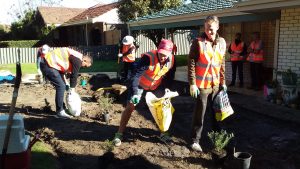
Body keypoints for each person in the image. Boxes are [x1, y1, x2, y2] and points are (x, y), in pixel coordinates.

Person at [113, 39, 175, 146]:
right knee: (131, 106)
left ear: (170, 53)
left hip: (156, 85)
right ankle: (119, 133)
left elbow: (169, 76)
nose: (163, 57)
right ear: (158, 50)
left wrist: (167, 89)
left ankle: (164, 133)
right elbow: (136, 76)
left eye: (165, 55)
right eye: (161, 53)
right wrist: (135, 93)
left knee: (162, 108)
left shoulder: (172, 60)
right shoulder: (148, 58)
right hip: (140, 84)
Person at [188, 15, 227, 152]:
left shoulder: (222, 42)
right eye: (206, 29)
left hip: (215, 85)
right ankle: (195, 140)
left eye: (211, 29)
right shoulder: (198, 42)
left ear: (217, 27)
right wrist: (192, 83)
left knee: (217, 113)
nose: (208, 31)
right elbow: (191, 63)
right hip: (202, 85)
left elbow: (221, 62)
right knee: (200, 113)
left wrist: (223, 82)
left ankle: (217, 139)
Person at [40, 47, 93, 118]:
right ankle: (60, 112)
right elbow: (74, 75)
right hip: (47, 64)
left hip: (48, 64)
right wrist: (72, 88)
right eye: (85, 66)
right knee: (61, 86)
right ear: (85, 60)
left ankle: (62, 108)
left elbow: (61, 71)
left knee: (62, 85)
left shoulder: (75, 57)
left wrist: (66, 83)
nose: (83, 67)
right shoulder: (78, 60)